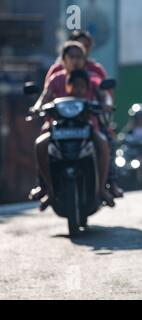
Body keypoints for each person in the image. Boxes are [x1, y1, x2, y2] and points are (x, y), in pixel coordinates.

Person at [30, 42, 114, 209]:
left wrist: (106, 103)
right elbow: (44, 96)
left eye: (79, 57)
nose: (75, 60)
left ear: (84, 59)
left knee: (103, 144)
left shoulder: (92, 78)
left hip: (87, 126)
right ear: (63, 59)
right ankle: (48, 189)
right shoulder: (56, 79)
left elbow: (105, 96)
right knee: (40, 144)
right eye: (71, 57)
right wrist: (37, 107)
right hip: (58, 127)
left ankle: (101, 188)